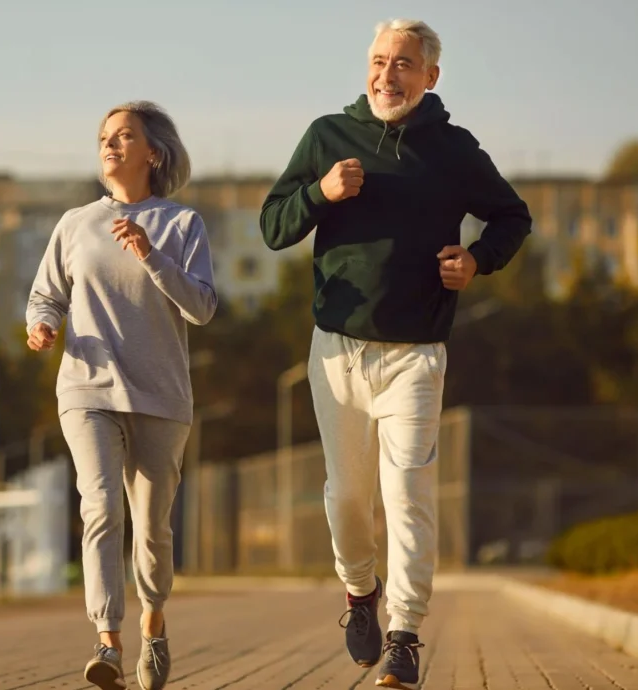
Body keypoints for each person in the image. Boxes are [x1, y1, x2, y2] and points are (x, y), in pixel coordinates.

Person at [259, 18, 531, 690]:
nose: (387, 74)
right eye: (379, 60)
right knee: (348, 496)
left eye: (404, 63)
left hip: (417, 353)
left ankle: (405, 634)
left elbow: (512, 216)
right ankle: (359, 591)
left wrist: (478, 259)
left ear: (430, 76)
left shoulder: (454, 150)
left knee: (407, 496)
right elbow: (271, 225)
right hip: (337, 352)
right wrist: (320, 194)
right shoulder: (328, 135)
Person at [26, 100, 217, 690]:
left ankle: (154, 626)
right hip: (87, 388)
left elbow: (203, 308)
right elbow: (45, 294)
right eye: (104, 136)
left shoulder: (182, 225)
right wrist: (42, 324)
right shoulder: (74, 223)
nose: (109, 144)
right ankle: (107, 642)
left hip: (160, 396)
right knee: (101, 508)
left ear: (151, 153)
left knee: (153, 528)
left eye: (124, 135)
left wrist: (150, 254)